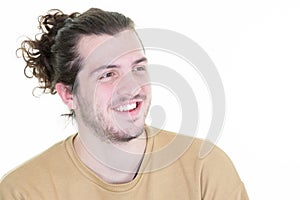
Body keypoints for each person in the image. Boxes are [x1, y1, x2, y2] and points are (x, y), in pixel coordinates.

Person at [0, 8, 248, 199]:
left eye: (138, 68)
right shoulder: (24, 191)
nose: (132, 88)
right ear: (68, 94)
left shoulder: (204, 169)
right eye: (108, 74)